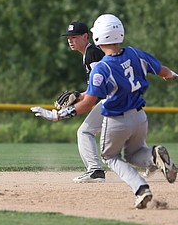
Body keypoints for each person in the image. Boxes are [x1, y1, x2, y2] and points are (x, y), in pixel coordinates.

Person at [31, 14, 177, 209]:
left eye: (74, 37)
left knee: (109, 156)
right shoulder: (135, 53)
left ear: (95, 37)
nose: (70, 40)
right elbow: (165, 72)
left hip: (116, 116)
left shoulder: (101, 65)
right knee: (134, 154)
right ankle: (153, 157)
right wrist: (173, 75)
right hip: (140, 116)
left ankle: (137, 187)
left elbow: (90, 101)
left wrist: (57, 115)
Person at [59, 21, 105, 183]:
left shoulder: (92, 53)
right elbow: (96, 87)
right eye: (69, 38)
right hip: (120, 99)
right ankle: (152, 161)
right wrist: (79, 96)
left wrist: (79, 99)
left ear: (86, 36)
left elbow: (102, 83)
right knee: (120, 147)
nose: (70, 40)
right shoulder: (90, 53)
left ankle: (95, 170)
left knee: (85, 132)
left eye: (74, 37)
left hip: (111, 100)